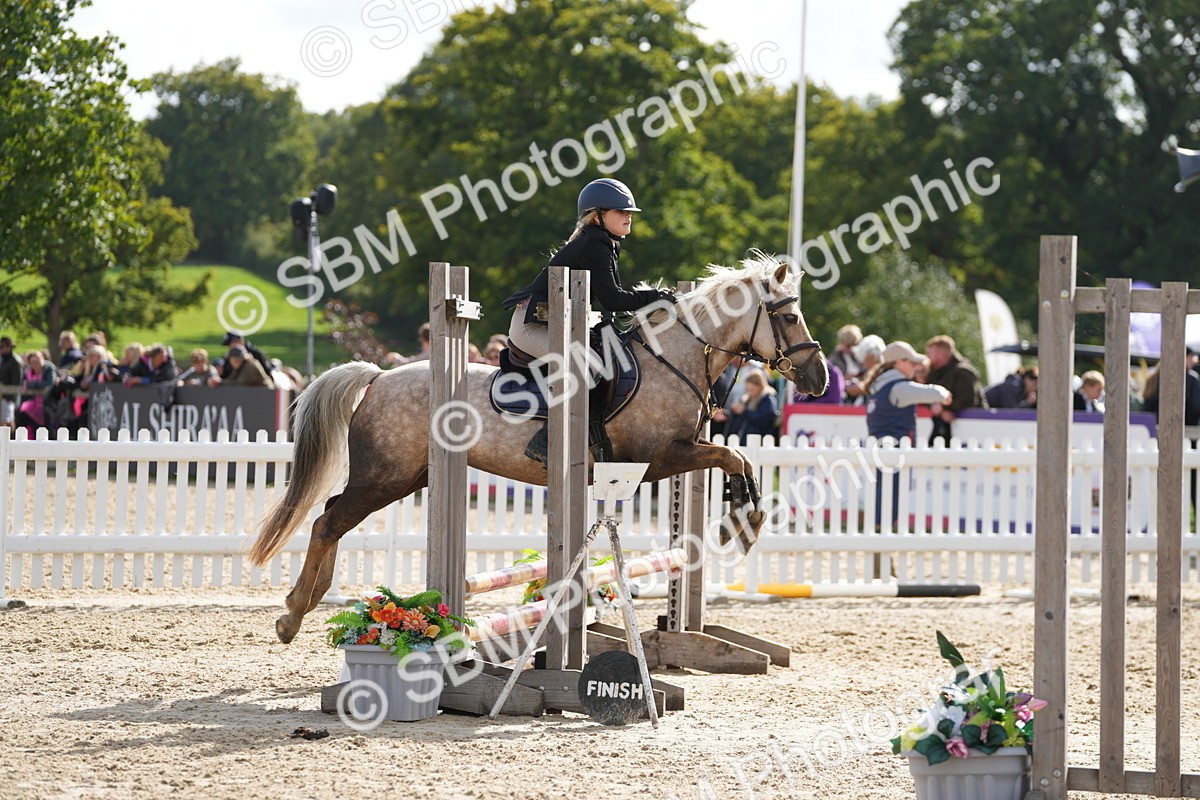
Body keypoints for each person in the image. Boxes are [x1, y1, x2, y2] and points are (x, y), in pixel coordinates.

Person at [501, 178, 675, 465]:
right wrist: (657, 297)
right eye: (620, 211)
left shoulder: (605, 242)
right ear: (597, 215)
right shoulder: (595, 243)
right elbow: (614, 299)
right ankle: (546, 441)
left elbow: (613, 301)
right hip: (532, 326)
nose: (628, 216)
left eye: (629, 212)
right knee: (587, 366)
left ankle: (594, 436)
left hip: (555, 323)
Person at [863, 341, 952, 527]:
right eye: (912, 362)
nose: (916, 366)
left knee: (883, 495)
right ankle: (882, 533)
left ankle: (878, 532)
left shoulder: (877, 385)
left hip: (880, 450)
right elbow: (933, 393)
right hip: (896, 452)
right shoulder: (898, 387)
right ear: (899, 363)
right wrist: (944, 394)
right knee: (892, 498)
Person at [925, 335, 987, 445]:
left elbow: (967, 400)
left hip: (972, 429)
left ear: (942, 354)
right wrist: (940, 410)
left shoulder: (963, 372)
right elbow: (925, 395)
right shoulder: (934, 372)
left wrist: (943, 408)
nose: (928, 356)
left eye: (930, 353)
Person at [727, 370, 780, 440]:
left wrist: (744, 411)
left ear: (760, 385)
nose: (750, 392)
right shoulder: (747, 398)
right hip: (745, 438)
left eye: (752, 389)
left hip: (760, 438)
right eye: (748, 389)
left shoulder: (768, 398)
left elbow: (764, 418)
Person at [15, 351, 57, 435]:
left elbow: (49, 382)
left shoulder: (49, 368)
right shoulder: (28, 372)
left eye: (39, 360)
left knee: (48, 426)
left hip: (48, 402)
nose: (37, 364)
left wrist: (32, 385)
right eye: (33, 362)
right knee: (22, 416)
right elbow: (23, 386)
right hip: (31, 404)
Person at [844, 334, 885, 403]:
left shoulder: (883, 371)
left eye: (865, 359)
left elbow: (879, 389)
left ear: (871, 356)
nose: (863, 362)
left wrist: (862, 389)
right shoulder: (870, 371)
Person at [210, 345, 274, 389]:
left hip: (266, 393)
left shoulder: (250, 365)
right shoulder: (240, 366)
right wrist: (218, 381)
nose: (230, 362)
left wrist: (221, 382)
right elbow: (231, 379)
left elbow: (241, 383)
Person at [0, 337, 22, 429]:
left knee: (7, 421)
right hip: (2, 395)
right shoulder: (4, 360)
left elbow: (16, 382)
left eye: (2, 347)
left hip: (8, 397)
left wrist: (11, 398)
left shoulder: (14, 361)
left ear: (9, 347)